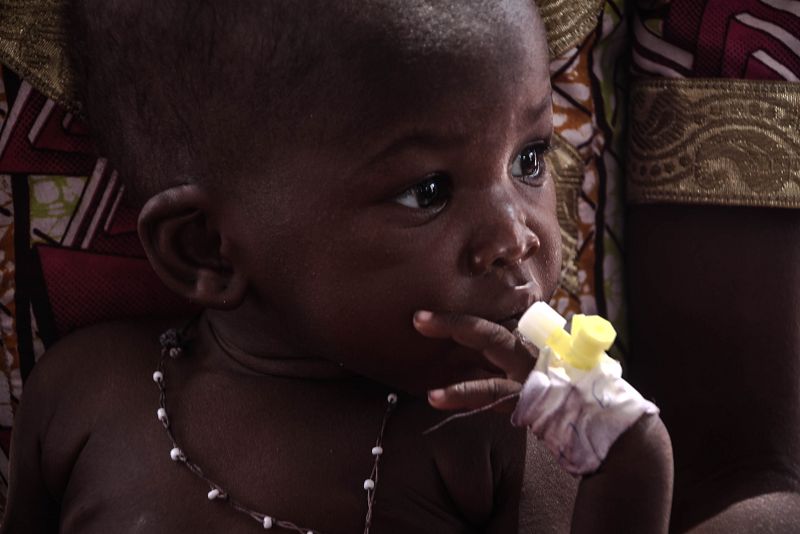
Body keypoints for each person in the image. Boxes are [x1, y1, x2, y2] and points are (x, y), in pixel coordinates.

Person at [0, 1, 672, 532]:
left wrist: (629, 476)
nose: (514, 235)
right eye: (427, 191)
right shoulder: (86, 400)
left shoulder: (500, 443)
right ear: (204, 247)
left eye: (528, 159)